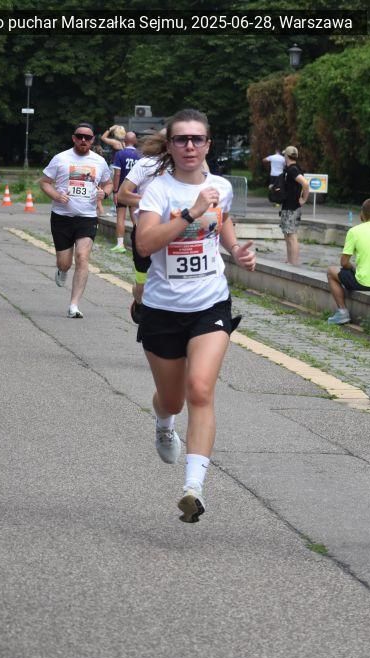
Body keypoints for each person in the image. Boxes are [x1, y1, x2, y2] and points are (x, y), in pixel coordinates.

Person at [134, 109, 257, 523]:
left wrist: (236, 250)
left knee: (201, 389)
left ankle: (193, 488)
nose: (190, 146)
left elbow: (223, 221)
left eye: (197, 139)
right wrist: (189, 213)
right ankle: (163, 422)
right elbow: (145, 244)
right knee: (172, 399)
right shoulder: (158, 191)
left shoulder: (221, 187)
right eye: (181, 139)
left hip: (210, 303)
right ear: (170, 145)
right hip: (163, 309)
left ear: (208, 145)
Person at [39, 122, 113, 319]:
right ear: (73, 138)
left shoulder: (99, 161)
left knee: (82, 256)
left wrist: (104, 193)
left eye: (87, 138)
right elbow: (44, 182)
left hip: (87, 217)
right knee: (64, 263)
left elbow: (108, 183)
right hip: (62, 217)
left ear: (92, 140)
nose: (83, 140)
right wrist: (56, 196)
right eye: (79, 136)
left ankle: (74, 305)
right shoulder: (60, 158)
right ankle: (62, 270)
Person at [116, 129, 164, 324]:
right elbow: (123, 194)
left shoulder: (186, 168)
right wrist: (150, 202)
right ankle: (138, 301)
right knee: (142, 285)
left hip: (174, 233)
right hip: (145, 232)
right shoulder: (145, 164)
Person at [326, 198, 370, 324]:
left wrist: (353, 267)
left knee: (331, 271)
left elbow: (344, 262)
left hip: (362, 282)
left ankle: (342, 312)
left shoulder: (354, 231)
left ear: (361, 214)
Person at [110, 131, 140, 253]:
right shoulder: (140, 155)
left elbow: (117, 174)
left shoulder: (120, 154)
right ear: (135, 141)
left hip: (122, 191)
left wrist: (115, 191)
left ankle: (120, 244)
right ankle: (139, 242)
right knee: (135, 217)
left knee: (120, 217)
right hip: (135, 191)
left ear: (124, 141)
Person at [279, 146, 309, 265]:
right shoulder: (292, 168)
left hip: (292, 207)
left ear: (286, 156)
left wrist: (304, 199)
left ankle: (294, 263)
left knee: (291, 235)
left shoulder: (293, 170)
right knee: (287, 235)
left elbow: (305, 184)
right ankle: (289, 260)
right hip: (288, 206)